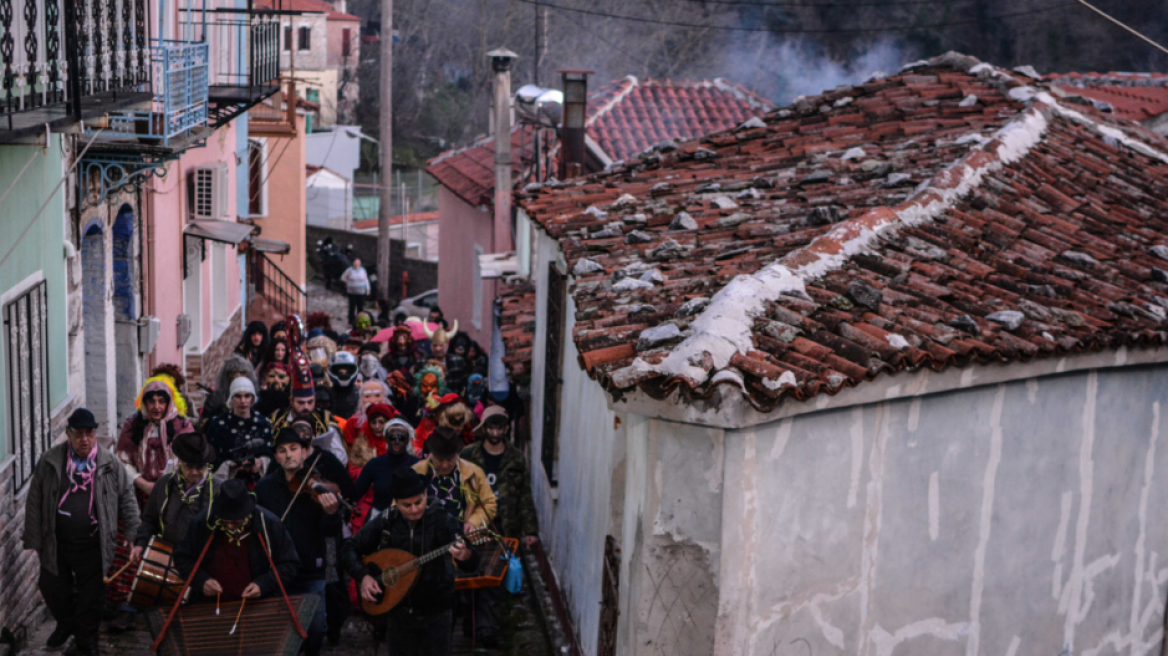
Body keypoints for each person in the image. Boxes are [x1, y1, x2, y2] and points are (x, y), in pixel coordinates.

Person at [23, 409, 140, 656]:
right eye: (78, 434)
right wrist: (35, 539)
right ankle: (66, 625)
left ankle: (87, 639)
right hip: (57, 541)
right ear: (68, 435)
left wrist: (131, 533)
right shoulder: (50, 461)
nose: (84, 439)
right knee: (52, 587)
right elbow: (35, 500)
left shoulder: (109, 463)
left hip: (93, 542)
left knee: (92, 596)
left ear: (95, 434)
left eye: (89, 433)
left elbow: (127, 497)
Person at [341, 468, 479, 656]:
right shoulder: (387, 521)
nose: (414, 510)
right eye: (406, 505)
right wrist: (363, 576)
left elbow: (473, 560)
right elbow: (349, 549)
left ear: (425, 494)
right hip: (399, 614)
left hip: (437, 614)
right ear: (396, 502)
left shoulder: (443, 521)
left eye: (418, 502)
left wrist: (466, 555)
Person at [110, 376, 195, 627]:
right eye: (151, 401)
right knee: (132, 543)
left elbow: (190, 461)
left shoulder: (183, 426)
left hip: (175, 495)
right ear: (144, 404)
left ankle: (167, 601)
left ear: (170, 402)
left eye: (161, 400)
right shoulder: (132, 426)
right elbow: (122, 459)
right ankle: (127, 603)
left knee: (169, 546)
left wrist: (162, 488)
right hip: (137, 493)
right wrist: (141, 482)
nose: (156, 406)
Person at [254, 429, 342, 656]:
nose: (288, 455)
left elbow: (330, 533)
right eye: (282, 451)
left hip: (310, 569)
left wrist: (332, 513)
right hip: (275, 571)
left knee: (315, 628)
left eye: (294, 449)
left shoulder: (318, 486)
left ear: (304, 453)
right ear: (276, 457)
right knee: (279, 632)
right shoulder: (264, 488)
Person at [174, 479, 299, 605]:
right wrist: (200, 580)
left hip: (257, 607)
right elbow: (182, 558)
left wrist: (263, 585)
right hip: (209, 607)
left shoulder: (269, 523)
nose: (231, 527)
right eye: (225, 521)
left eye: (236, 522)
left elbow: (289, 564)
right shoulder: (203, 523)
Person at [460, 407, 539, 546]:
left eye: (500, 429)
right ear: (484, 428)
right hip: (476, 524)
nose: (495, 433)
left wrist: (530, 530)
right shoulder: (469, 455)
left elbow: (524, 495)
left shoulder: (515, 458)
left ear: (506, 429)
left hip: (506, 526)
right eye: (491, 428)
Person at [132, 432, 219, 554]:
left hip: (198, 558)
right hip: (163, 552)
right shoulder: (163, 484)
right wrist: (140, 544)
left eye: (199, 467)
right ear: (180, 462)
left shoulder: (218, 489)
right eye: (189, 466)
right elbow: (149, 520)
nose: (194, 472)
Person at [411, 427, 496, 536]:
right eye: (440, 460)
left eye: (450, 459)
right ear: (432, 454)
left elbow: (489, 503)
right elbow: (398, 506)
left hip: (460, 539)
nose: (445, 465)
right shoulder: (415, 472)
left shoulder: (474, 472)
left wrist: (474, 522)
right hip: (423, 539)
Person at [206, 376, 274, 485]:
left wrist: (260, 462)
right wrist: (230, 465)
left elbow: (271, 452)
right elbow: (211, 456)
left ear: (252, 398)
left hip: (258, 483)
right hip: (226, 484)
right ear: (232, 398)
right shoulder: (218, 424)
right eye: (238, 396)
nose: (243, 401)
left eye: (247, 396)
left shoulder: (263, 423)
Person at [352, 418, 419, 526]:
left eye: (401, 438)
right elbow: (355, 493)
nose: (397, 441)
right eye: (392, 437)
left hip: (411, 521)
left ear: (408, 440)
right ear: (386, 439)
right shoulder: (374, 464)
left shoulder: (418, 465)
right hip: (379, 520)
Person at [200, 354, 259, 421]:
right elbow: (205, 422)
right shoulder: (215, 398)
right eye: (233, 373)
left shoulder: (254, 396)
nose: (238, 376)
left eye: (242, 372)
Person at [328, 351, 361, 419]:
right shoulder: (326, 393)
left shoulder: (361, 394)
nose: (343, 374)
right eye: (340, 372)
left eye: (347, 372)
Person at [341, 258, 370, 327]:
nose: (356, 264)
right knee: (352, 307)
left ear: (360, 264)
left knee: (360, 307)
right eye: (355, 263)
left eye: (358, 263)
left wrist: (368, 289)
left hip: (361, 292)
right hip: (351, 292)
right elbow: (343, 278)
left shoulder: (363, 270)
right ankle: (350, 322)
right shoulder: (349, 270)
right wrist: (348, 283)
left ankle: (360, 321)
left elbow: (366, 280)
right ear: (353, 263)